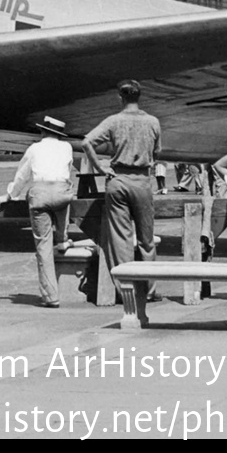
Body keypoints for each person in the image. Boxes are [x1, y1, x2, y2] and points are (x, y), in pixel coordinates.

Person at [83, 81, 162, 299]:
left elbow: (87, 142)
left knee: (121, 238)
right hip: (142, 181)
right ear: (139, 97)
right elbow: (157, 153)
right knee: (147, 240)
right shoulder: (153, 121)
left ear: (120, 97)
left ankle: (126, 289)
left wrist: (100, 167)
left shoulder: (113, 121)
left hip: (118, 179)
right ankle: (150, 289)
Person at [0, 117, 76, 308]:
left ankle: (50, 296)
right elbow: (67, 169)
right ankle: (63, 237)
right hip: (62, 191)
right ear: (59, 134)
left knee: (43, 246)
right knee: (63, 202)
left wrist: (9, 195)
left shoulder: (34, 149)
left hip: (40, 193)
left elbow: (22, 175)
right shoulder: (67, 148)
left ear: (42, 132)